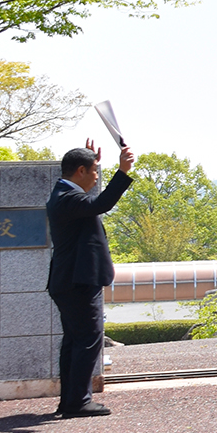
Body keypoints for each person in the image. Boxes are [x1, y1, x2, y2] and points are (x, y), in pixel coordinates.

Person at [46, 139, 135, 418]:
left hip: (70, 280)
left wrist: (96, 161)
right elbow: (102, 203)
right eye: (95, 171)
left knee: (75, 341)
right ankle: (77, 402)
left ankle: (71, 401)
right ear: (80, 171)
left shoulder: (65, 194)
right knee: (87, 339)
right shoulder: (68, 198)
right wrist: (122, 171)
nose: (97, 176)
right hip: (78, 282)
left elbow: (94, 201)